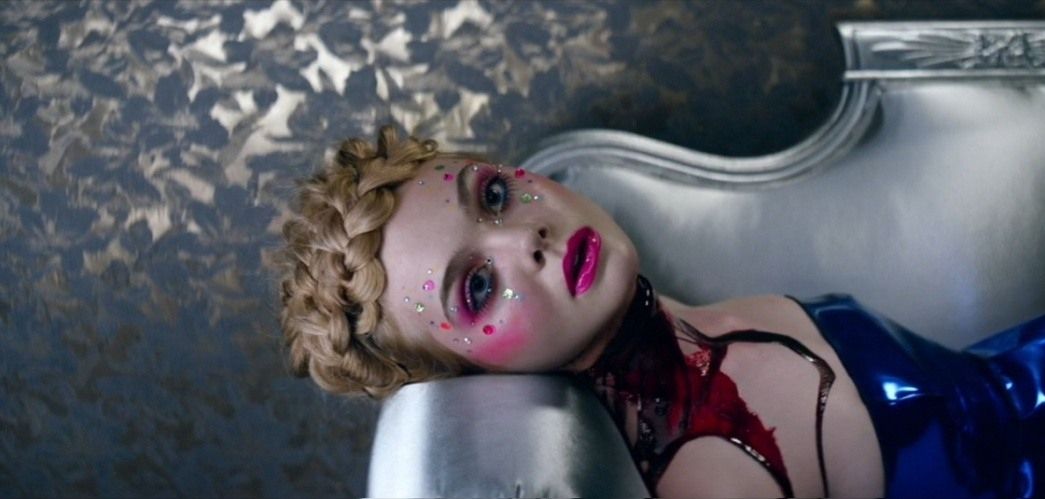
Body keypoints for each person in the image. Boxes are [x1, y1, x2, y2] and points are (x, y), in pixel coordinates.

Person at [278, 126, 1043, 498]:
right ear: (469, 374)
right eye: (476, 288)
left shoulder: (692, 333)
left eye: (494, 195)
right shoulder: (696, 480)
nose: (525, 238)